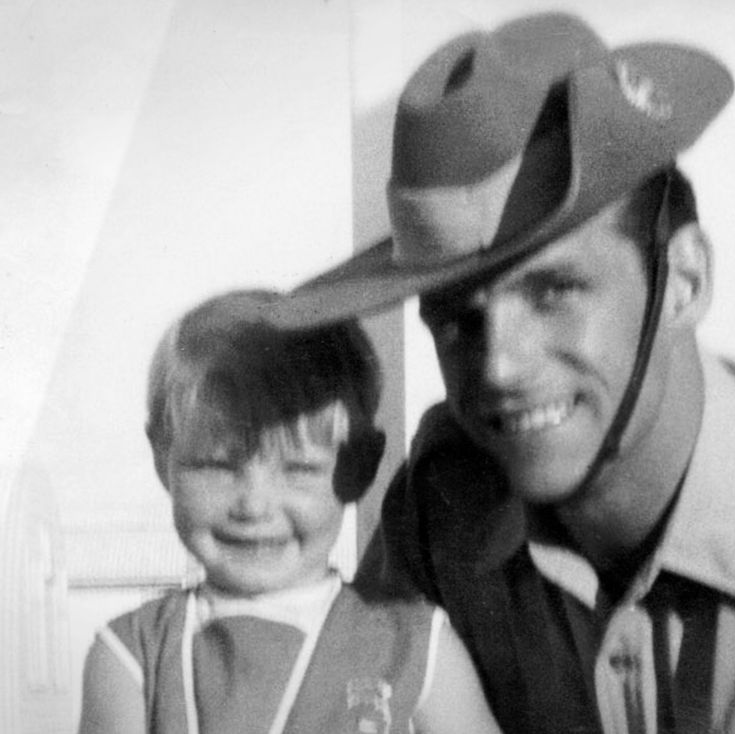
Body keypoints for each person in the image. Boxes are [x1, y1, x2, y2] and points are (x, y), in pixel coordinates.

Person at [262, 12, 735, 734]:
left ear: (685, 280)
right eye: (457, 318)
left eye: (554, 292)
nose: (498, 366)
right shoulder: (443, 513)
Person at [77, 289, 502, 734]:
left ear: (360, 467)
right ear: (163, 458)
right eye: (217, 466)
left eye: (299, 469)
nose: (254, 506)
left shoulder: (417, 647)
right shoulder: (131, 656)